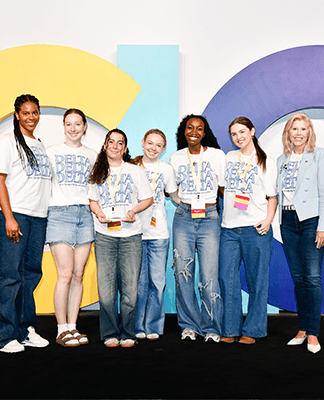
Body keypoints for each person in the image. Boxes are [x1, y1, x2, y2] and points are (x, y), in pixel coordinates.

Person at [0, 94, 52, 353]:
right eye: (25, 113)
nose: (31, 117)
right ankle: (3, 336)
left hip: (38, 217)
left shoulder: (39, 144)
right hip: (15, 216)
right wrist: (9, 217)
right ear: (16, 115)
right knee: (9, 276)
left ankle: (25, 330)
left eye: (35, 112)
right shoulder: (7, 142)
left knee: (30, 275)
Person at [88, 129, 153, 348]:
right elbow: (93, 200)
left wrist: (134, 210)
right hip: (104, 236)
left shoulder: (135, 171)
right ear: (105, 145)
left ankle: (128, 333)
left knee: (129, 290)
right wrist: (99, 213)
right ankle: (109, 333)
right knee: (106, 291)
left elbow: (148, 198)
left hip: (130, 236)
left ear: (125, 149)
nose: (115, 146)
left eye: (120, 143)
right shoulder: (97, 171)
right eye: (111, 142)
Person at [219, 117, 278, 345]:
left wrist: (268, 220)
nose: (238, 137)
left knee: (257, 281)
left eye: (242, 132)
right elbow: (223, 187)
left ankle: (253, 329)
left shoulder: (265, 161)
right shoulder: (229, 158)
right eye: (234, 134)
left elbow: (272, 197)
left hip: (256, 228)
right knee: (227, 278)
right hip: (229, 229)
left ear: (252, 131)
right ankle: (230, 328)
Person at [277, 112, 324, 354]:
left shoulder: (320, 155)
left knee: (312, 278)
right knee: (298, 278)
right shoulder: (281, 160)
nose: (298, 133)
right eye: (294, 129)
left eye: (303, 129)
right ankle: (302, 328)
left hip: (311, 221)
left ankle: (313, 333)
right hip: (288, 220)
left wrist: (323, 226)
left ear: (309, 132)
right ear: (288, 133)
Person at [168, 114, 226, 343]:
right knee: (183, 274)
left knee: (209, 276)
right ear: (184, 131)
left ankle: (211, 327)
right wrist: (182, 202)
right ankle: (189, 326)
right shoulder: (176, 157)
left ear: (204, 132)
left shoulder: (216, 155)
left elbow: (224, 189)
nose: (194, 132)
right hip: (184, 217)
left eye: (199, 128)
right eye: (190, 127)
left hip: (209, 218)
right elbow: (171, 189)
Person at [45, 108, 97, 347]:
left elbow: (96, 188)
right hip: (59, 214)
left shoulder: (92, 155)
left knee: (78, 275)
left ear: (84, 127)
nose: (73, 128)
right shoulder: (51, 152)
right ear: (64, 127)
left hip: (84, 215)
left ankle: (73, 326)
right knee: (65, 274)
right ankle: (61, 329)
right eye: (69, 124)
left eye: (78, 124)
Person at [131, 129, 178, 341]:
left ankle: (154, 326)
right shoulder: (131, 167)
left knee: (157, 282)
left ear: (164, 149)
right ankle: (137, 325)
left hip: (159, 233)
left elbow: (175, 196)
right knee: (139, 283)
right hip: (135, 232)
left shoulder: (166, 170)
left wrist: (196, 205)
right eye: (150, 143)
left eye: (158, 145)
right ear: (143, 142)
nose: (153, 148)